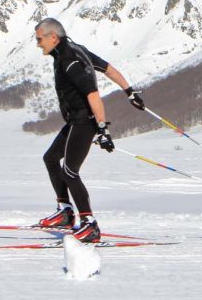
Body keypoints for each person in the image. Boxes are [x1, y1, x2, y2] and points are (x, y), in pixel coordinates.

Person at [33, 18, 145, 242]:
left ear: (52, 37)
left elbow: (92, 93)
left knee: (70, 171)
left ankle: (89, 224)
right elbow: (108, 69)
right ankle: (65, 212)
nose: (38, 44)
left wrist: (103, 129)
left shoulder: (68, 59)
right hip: (76, 120)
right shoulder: (76, 49)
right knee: (51, 158)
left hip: (85, 121)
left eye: (39, 39)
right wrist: (129, 92)